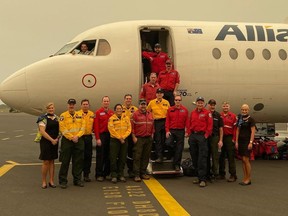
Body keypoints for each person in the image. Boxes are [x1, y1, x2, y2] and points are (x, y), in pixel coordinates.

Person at [58, 99, 86, 189]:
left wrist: (77, 136)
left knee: (78, 161)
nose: (71, 106)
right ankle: (63, 181)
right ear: (68, 105)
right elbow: (63, 128)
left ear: (75, 105)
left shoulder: (80, 115)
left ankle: (77, 180)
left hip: (78, 140)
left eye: (73, 104)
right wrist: (71, 137)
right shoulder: (63, 116)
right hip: (67, 141)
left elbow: (83, 127)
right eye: (70, 104)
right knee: (65, 161)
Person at [188, 96, 213, 187]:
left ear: (203, 104)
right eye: (198, 102)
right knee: (194, 157)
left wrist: (206, 135)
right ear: (196, 103)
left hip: (202, 136)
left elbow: (210, 126)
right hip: (193, 136)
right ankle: (198, 177)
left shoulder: (207, 113)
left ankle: (203, 179)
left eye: (201, 102)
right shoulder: (193, 113)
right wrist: (189, 133)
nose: (200, 104)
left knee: (202, 158)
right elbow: (189, 123)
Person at [38, 102, 60, 189]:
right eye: (49, 108)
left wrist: (57, 139)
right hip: (46, 141)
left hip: (55, 141)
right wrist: (51, 140)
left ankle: (51, 180)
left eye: (52, 108)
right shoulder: (42, 118)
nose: (51, 109)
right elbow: (42, 131)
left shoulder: (57, 118)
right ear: (47, 109)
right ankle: (43, 181)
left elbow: (60, 130)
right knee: (46, 161)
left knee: (52, 161)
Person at [131, 99, 154, 182]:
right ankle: (136, 174)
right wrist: (134, 137)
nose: (143, 106)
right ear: (139, 105)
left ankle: (143, 173)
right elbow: (132, 127)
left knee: (146, 156)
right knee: (137, 157)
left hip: (148, 138)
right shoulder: (135, 114)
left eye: (144, 104)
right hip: (139, 138)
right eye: (142, 104)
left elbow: (152, 125)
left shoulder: (150, 114)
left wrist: (152, 135)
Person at [108, 104, 131, 183]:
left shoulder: (126, 118)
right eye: (117, 109)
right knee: (113, 158)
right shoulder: (111, 119)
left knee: (123, 158)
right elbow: (111, 129)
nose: (119, 110)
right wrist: (119, 138)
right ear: (115, 110)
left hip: (124, 140)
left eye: (120, 108)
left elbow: (129, 129)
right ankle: (114, 175)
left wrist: (123, 137)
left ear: (122, 109)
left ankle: (121, 174)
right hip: (115, 140)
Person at [165, 95, 189, 171]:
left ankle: (176, 164)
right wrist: (167, 131)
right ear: (174, 101)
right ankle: (172, 153)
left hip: (180, 131)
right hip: (172, 130)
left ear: (180, 101)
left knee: (179, 149)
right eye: (176, 100)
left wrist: (187, 131)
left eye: (179, 100)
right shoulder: (170, 110)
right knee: (168, 143)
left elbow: (187, 122)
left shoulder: (185, 110)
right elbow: (167, 121)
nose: (177, 101)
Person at [147, 88, 170, 163]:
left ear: (163, 94)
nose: (159, 94)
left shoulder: (166, 102)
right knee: (158, 140)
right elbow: (148, 112)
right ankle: (159, 156)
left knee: (164, 140)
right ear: (156, 94)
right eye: (158, 93)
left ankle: (163, 155)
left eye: (161, 93)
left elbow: (169, 113)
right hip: (156, 122)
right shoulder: (152, 102)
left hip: (165, 121)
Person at [94, 96, 114, 182]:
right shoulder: (98, 112)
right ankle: (99, 174)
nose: (106, 103)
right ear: (102, 102)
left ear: (109, 102)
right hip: (102, 135)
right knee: (100, 156)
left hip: (110, 135)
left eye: (107, 101)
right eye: (104, 101)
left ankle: (106, 173)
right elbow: (96, 127)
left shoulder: (112, 113)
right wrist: (97, 138)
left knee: (108, 155)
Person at [235, 104, 256, 186]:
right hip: (241, 141)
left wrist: (251, 142)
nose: (244, 111)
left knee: (246, 159)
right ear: (241, 110)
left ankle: (248, 179)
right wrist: (236, 142)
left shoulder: (251, 120)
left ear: (248, 110)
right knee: (242, 160)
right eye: (243, 110)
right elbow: (237, 131)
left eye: (246, 110)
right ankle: (245, 177)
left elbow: (253, 131)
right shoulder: (240, 119)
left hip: (247, 142)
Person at [219, 102, 238, 182]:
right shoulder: (219, 115)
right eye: (224, 106)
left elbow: (235, 129)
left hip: (229, 138)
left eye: (227, 106)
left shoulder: (233, 116)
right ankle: (221, 174)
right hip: (221, 138)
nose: (225, 107)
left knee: (230, 157)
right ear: (222, 107)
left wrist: (234, 139)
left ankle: (233, 175)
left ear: (229, 107)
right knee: (221, 157)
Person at [206, 99, 223, 181]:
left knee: (215, 156)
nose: (212, 106)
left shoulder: (218, 115)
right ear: (208, 105)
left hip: (215, 137)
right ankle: (207, 172)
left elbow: (221, 129)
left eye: (214, 105)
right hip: (206, 137)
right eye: (211, 104)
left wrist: (221, 140)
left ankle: (214, 173)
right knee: (206, 155)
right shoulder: (205, 114)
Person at [122, 94, 138, 178]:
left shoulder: (135, 109)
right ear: (124, 100)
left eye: (129, 99)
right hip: (123, 134)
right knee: (121, 152)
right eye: (127, 99)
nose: (128, 100)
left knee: (131, 152)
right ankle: (120, 172)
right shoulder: (120, 109)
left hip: (132, 134)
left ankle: (130, 170)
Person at [78, 99, 94, 182]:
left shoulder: (91, 114)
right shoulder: (78, 114)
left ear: (89, 105)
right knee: (80, 157)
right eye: (83, 104)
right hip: (80, 137)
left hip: (88, 137)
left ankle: (86, 174)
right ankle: (78, 175)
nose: (85, 105)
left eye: (86, 104)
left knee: (88, 156)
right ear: (81, 106)